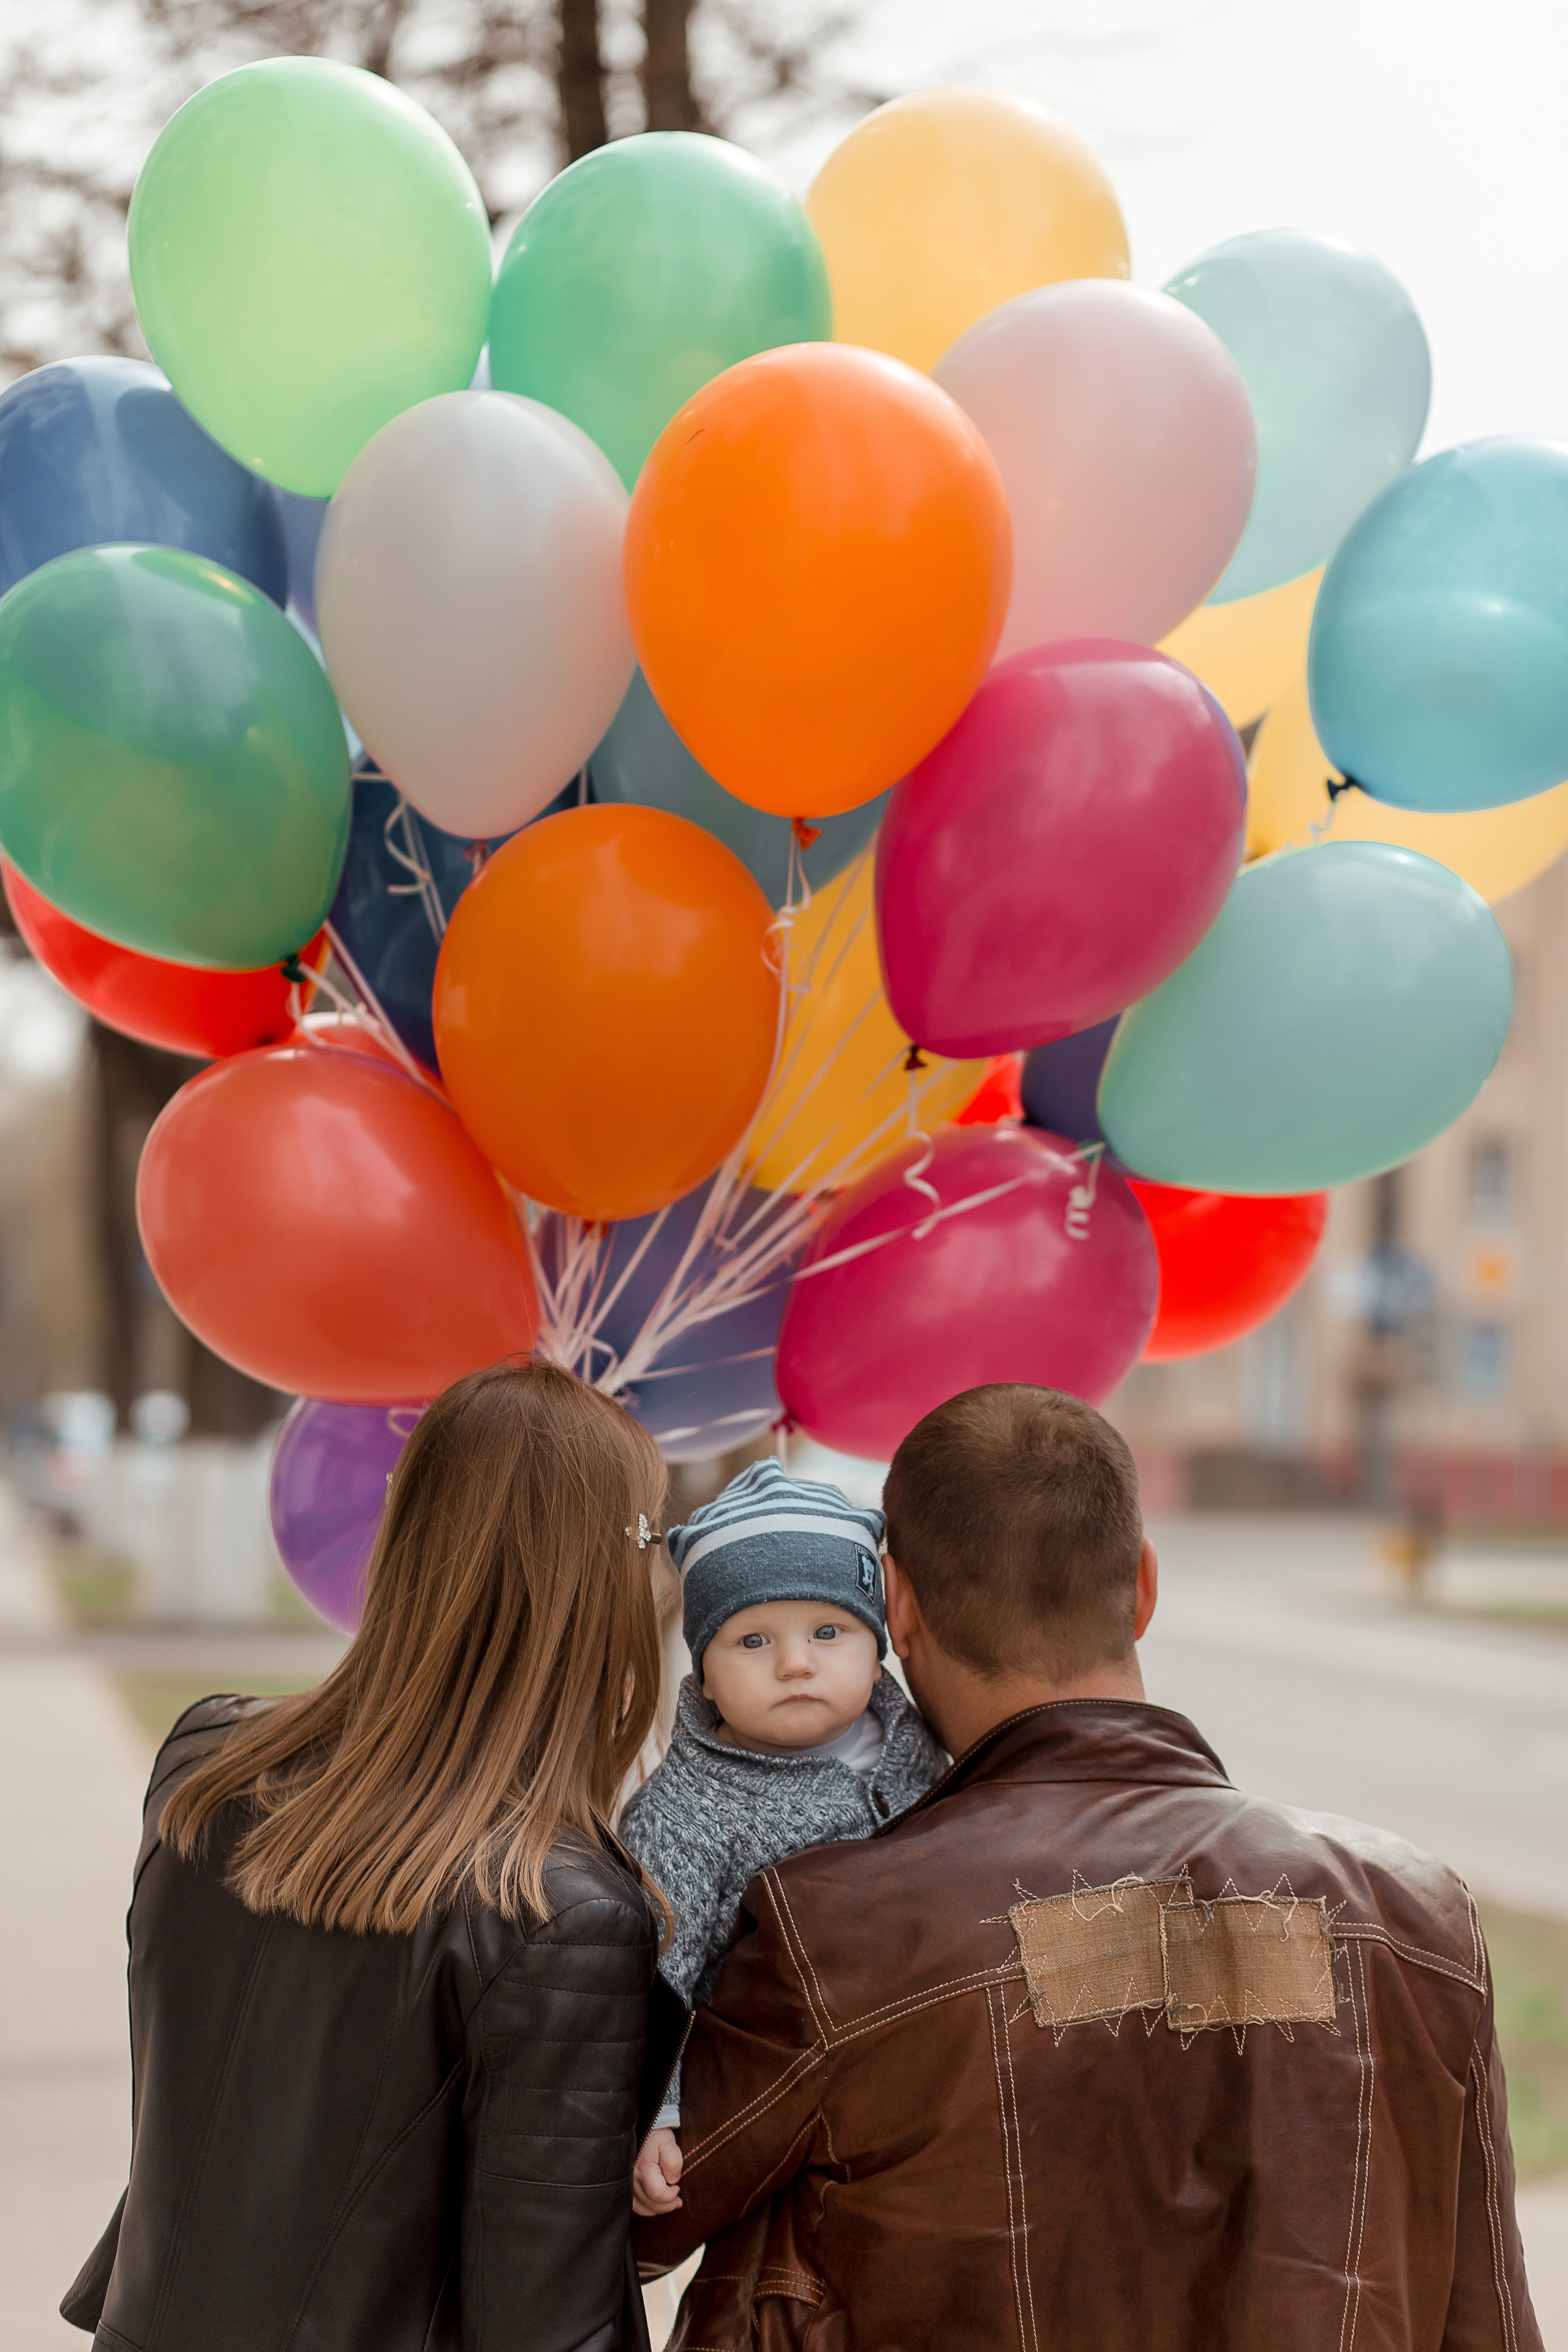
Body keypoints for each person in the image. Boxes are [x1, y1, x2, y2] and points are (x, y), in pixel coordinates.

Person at [636, 1383, 1540, 2352]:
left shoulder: (835, 1930)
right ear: (1146, 1587)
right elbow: (1483, 2320)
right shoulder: (1418, 1917)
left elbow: (631, 2224)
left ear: (896, 1608)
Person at [61, 1359, 687, 2352]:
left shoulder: (204, 1763)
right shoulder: (562, 1915)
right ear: (598, 1572)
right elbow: (549, 2330)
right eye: (656, 1537)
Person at [618, 1457, 944, 2219]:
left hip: (924, 2077)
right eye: (753, 1641)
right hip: (779, 2105)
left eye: (828, 1631)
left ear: (877, 1645)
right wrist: (657, 2116)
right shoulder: (685, 1813)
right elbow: (655, 1977)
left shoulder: (922, 1747)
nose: (796, 1663)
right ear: (704, 1674)